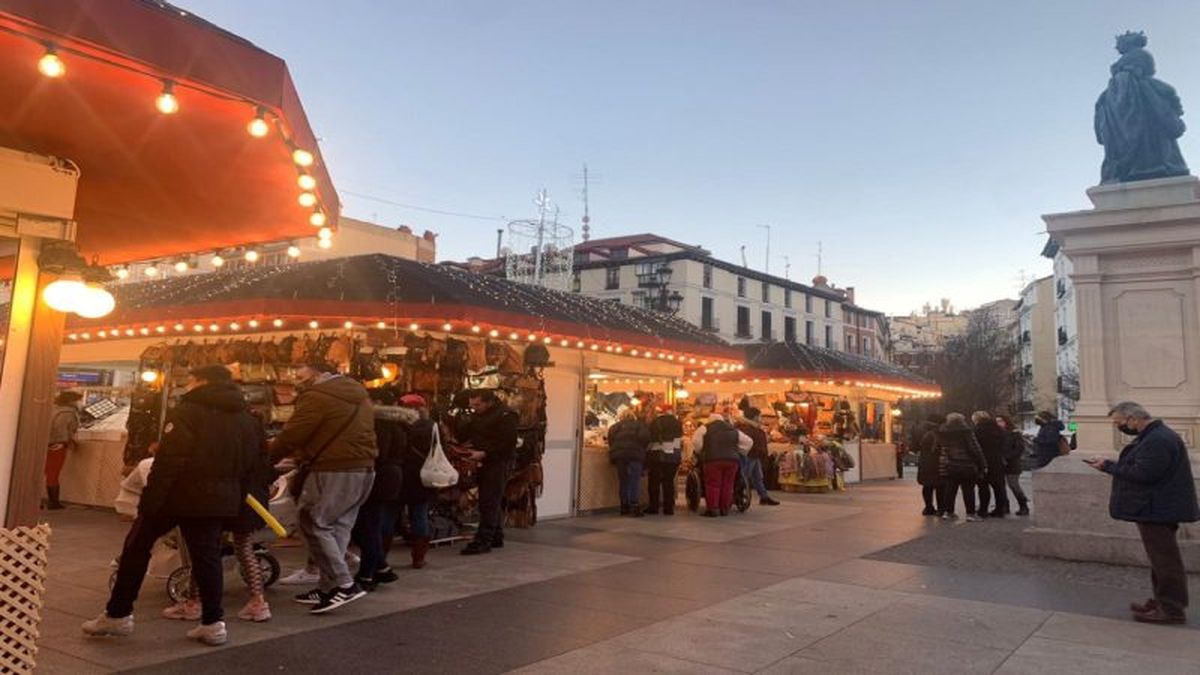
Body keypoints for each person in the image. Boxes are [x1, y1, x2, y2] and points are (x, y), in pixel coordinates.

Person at [82, 365, 260, 646]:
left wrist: (151, 499)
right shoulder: (246, 418)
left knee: (136, 548)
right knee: (207, 558)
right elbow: (253, 464)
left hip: (178, 495)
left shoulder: (189, 411)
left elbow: (170, 460)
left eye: (190, 379)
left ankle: (118, 614)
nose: (187, 385)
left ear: (200, 381)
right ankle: (213, 622)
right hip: (219, 497)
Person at [271, 362, 377, 614]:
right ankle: (329, 586)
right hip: (362, 468)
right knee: (337, 526)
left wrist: (268, 457)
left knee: (312, 522)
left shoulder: (317, 396)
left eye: (300, 372)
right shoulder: (357, 393)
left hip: (332, 469)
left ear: (317, 373)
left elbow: (295, 433)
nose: (296, 377)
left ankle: (343, 584)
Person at [1084, 402, 1199, 624]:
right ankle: (1162, 601)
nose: (1119, 427)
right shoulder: (1155, 437)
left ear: (1134, 418)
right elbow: (1143, 467)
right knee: (1160, 559)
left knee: (1165, 561)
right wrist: (1110, 463)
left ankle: (1172, 609)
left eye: (1119, 422)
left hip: (1157, 508)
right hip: (1156, 507)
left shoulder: (1157, 440)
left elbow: (1144, 473)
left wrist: (1107, 467)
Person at [350, 389, 406, 591]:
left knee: (367, 526)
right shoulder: (397, 423)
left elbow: (377, 452)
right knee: (372, 525)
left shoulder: (379, 423)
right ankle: (381, 567)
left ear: (377, 402)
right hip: (392, 476)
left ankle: (367, 574)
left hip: (379, 477)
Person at [459, 390, 518, 555]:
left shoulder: (506, 415)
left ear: (488, 402)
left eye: (477, 405)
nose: (474, 408)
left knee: (489, 500)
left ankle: (483, 541)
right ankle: (495, 536)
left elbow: (508, 443)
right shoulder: (478, 415)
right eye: (472, 405)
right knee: (491, 500)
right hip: (483, 460)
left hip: (498, 462)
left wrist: (485, 453)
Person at [396, 393, 436, 569]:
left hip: (399, 473)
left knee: (390, 514)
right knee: (419, 514)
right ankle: (418, 557)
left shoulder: (397, 425)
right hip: (422, 474)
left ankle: (380, 554)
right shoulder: (432, 426)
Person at [691, 409, 752, 517]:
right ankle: (724, 508)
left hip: (713, 460)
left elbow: (696, 442)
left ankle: (713, 509)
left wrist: (700, 450)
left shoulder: (705, 428)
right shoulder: (733, 429)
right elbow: (749, 442)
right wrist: (739, 450)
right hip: (732, 461)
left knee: (713, 484)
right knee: (728, 484)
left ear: (710, 420)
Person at [936, 413, 987, 522]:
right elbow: (975, 448)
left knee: (950, 489)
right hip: (966, 464)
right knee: (968, 490)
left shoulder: (943, 433)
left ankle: (948, 512)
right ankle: (970, 514)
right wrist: (982, 464)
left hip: (950, 464)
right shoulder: (966, 432)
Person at [607, 409, 651, 517]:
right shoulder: (640, 425)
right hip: (635, 456)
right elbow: (645, 439)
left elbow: (610, 441)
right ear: (633, 416)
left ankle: (624, 507)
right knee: (634, 480)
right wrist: (640, 448)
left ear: (621, 416)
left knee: (623, 481)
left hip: (620, 456)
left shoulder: (614, 427)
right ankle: (634, 506)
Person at [735, 408, 780, 506]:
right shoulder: (746, 427)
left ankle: (764, 497)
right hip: (749, 456)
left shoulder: (752, 427)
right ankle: (738, 495)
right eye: (760, 416)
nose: (761, 418)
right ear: (755, 417)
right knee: (745, 477)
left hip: (755, 455)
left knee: (758, 477)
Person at [45, 390, 82, 510]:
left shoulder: (52, 409)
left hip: (45, 444)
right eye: (78, 400)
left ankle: (40, 500)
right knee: (53, 473)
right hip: (58, 445)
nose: (79, 403)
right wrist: (71, 441)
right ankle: (54, 502)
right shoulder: (69, 413)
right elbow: (68, 430)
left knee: (46, 472)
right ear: (72, 401)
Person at [646, 405, 683, 515]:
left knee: (654, 482)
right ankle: (669, 508)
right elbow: (679, 436)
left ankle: (654, 507)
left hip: (657, 454)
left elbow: (649, 437)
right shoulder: (677, 423)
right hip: (673, 455)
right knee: (669, 482)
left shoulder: (655, 422)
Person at [972, 411, 1009, 518]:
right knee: (998, 487)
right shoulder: (999, 430)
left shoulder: (976, 431)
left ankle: (983, 510)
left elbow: (974, 447)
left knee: (983, 487)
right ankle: (1000, 509)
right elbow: (1004, 444)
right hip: (997, 460)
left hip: (982, 461)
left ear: (977, 420)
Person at [996, 415, 1030, 515]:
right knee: (1001, 486)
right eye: (997, 421)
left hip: (1012, 463)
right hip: (1000, 463)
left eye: (1000, 421)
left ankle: (1023, 506)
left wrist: (1008, 457)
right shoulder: (997, 434)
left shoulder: (1014, 434)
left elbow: (1019, 449)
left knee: (1013, 485)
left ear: (1006, 421)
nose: (999, 423)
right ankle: (1005, 506)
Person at [915, 414, 945, 516]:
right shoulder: (939, 432)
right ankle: (941, 509)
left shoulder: (919, 430)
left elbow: (914, 446)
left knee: (927, 486)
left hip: (924, 461)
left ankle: (928, 507)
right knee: (940, 486)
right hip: (937, 461)